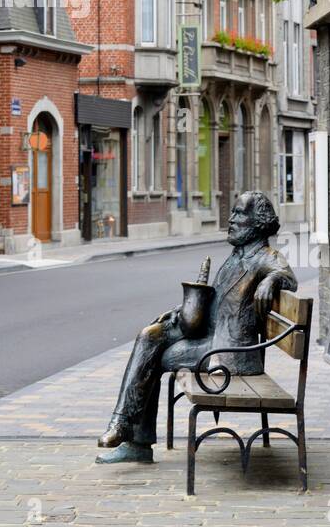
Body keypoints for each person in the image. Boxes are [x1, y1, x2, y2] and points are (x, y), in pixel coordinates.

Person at [96, 190, 296, 463]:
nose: (231, 219)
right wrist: (179, 313)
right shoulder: (238, 255)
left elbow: (287, 276)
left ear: (258, 223)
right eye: (233, 213)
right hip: (211, 338)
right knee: (150, 336)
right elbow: (220, 302)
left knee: (152, 357)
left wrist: (272, 281)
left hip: (230, 353)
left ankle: (135, 441)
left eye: (239, 214)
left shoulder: (263, 256)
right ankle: (124, 429)